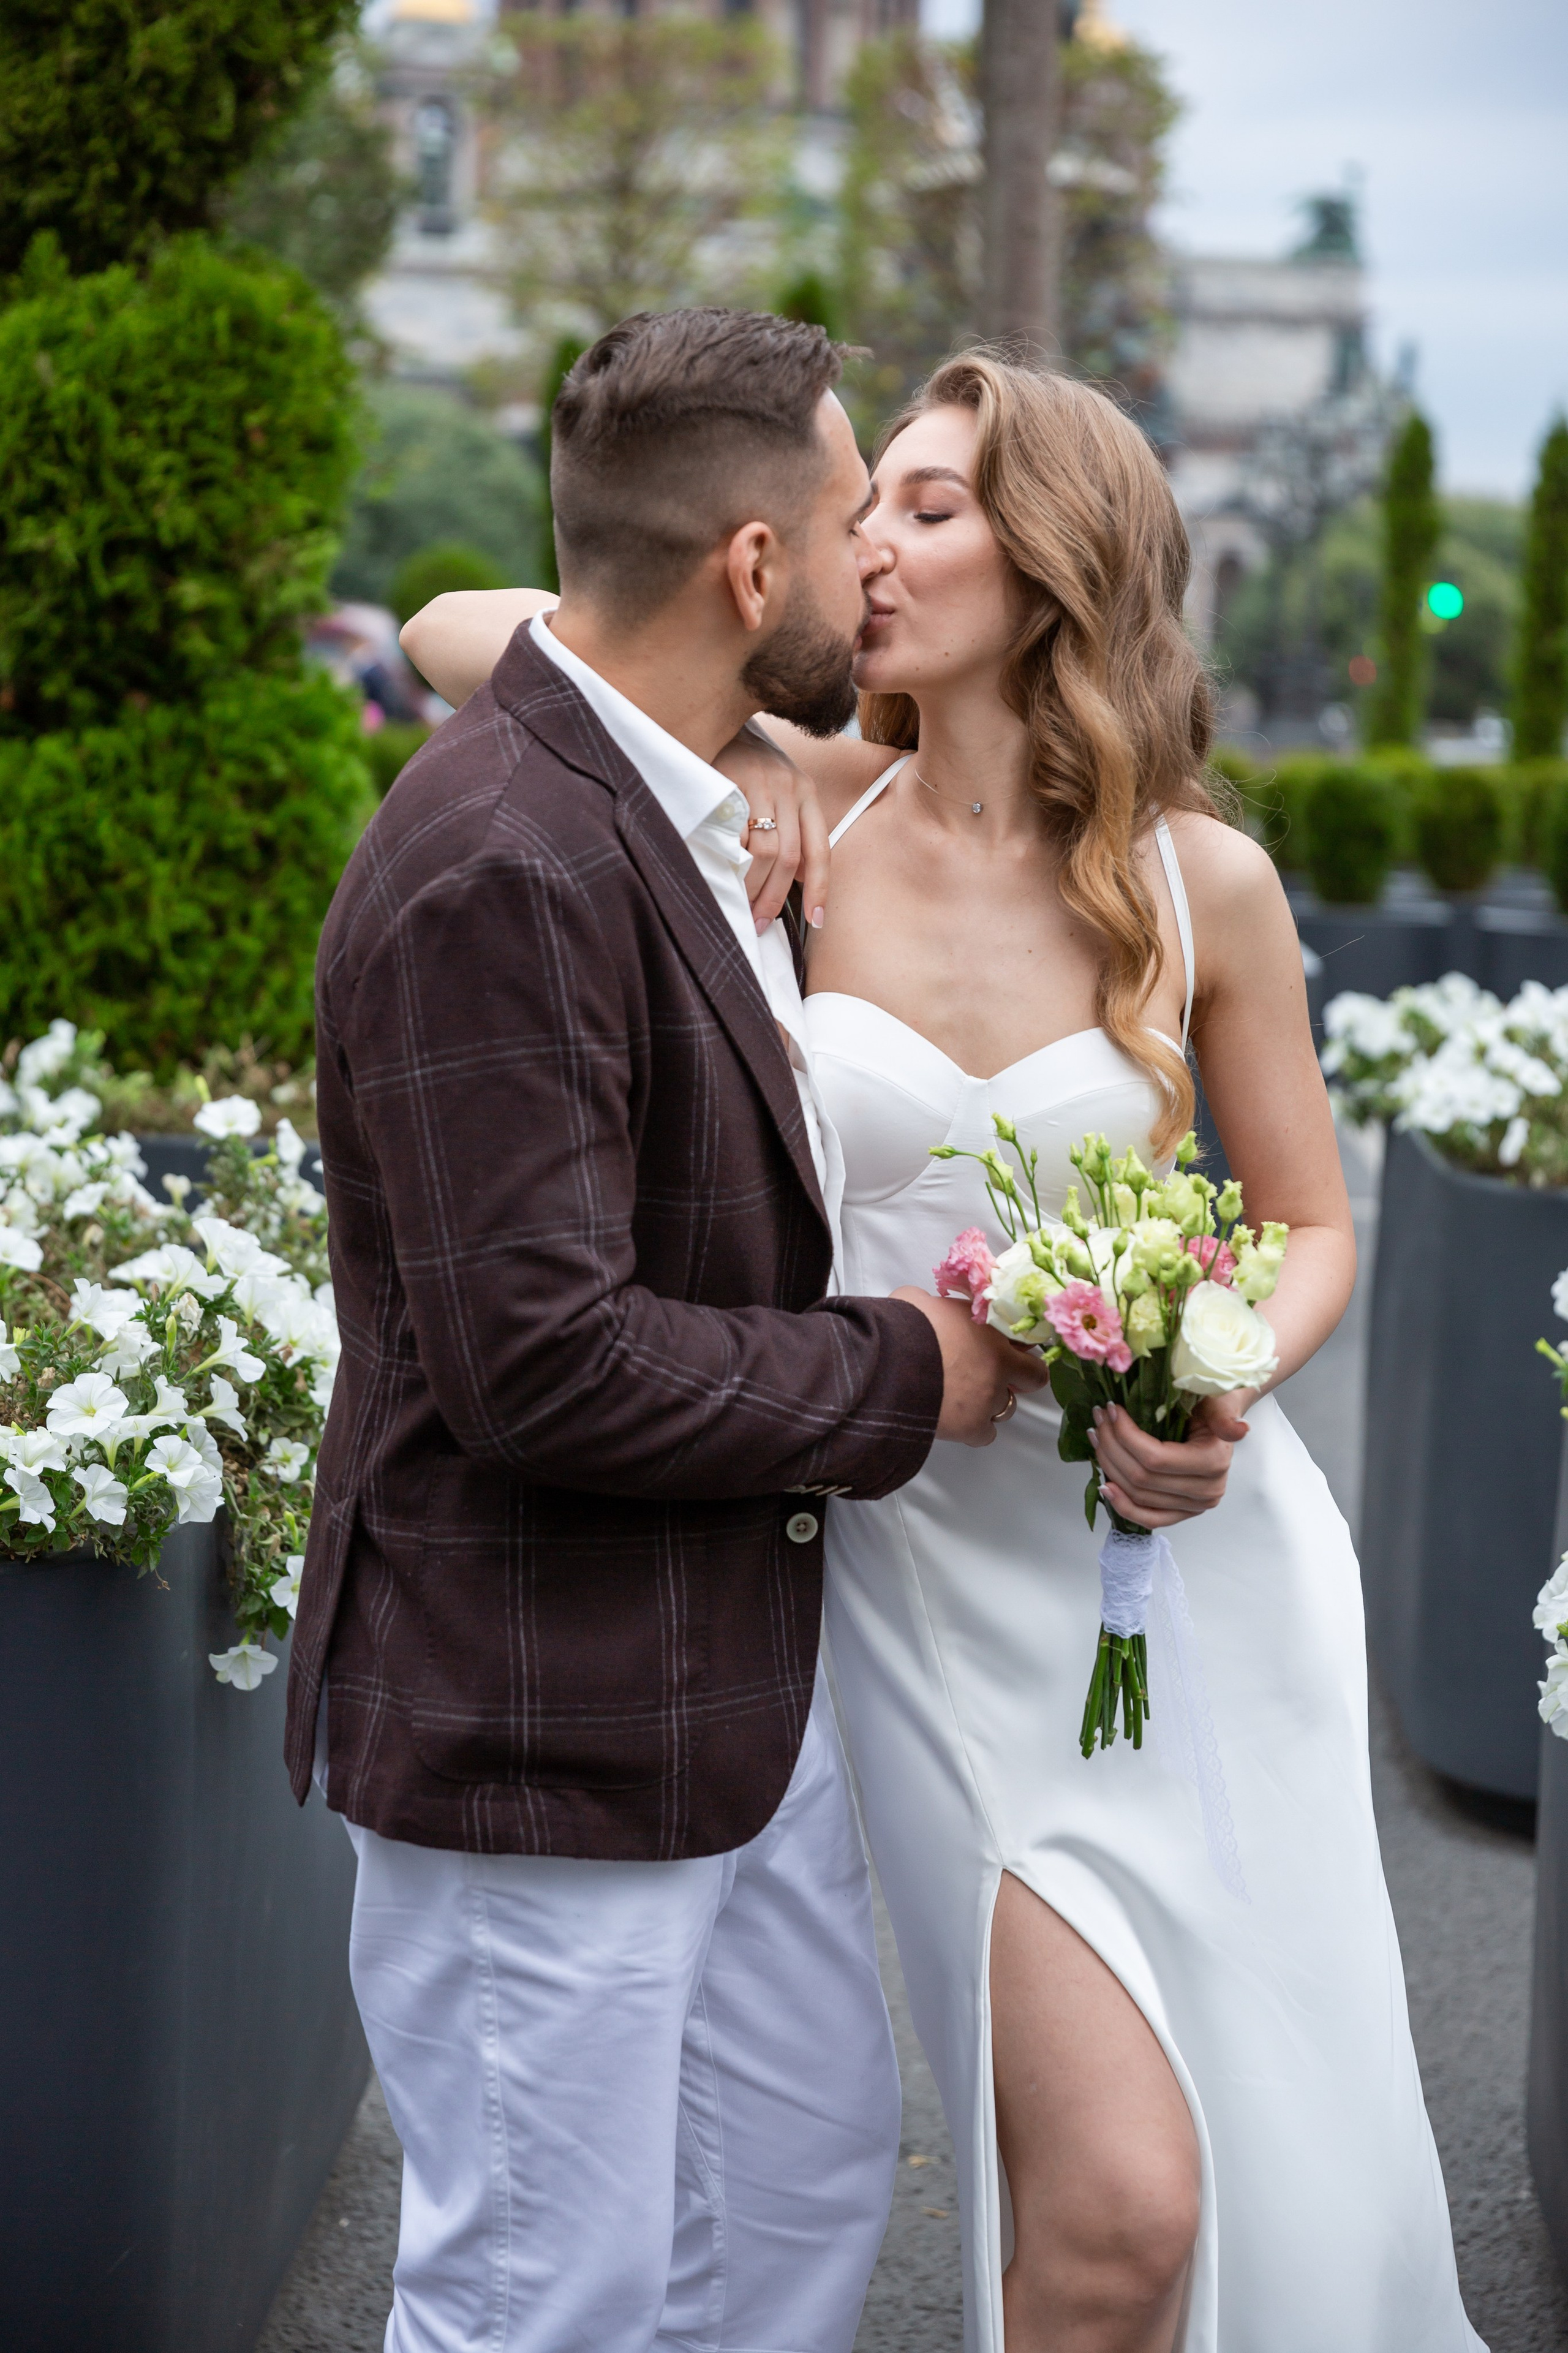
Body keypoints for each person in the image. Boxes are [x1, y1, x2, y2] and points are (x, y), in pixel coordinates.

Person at [407, 350, 1486, 2353]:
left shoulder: (1202, 883)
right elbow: (451, 630)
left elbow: (1313, 1223)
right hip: (905, 1579)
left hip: (1181, 1584)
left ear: (1056, 554)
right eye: (856, 507)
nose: (865, 547)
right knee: (1125, 2204)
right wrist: (718, 778)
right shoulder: (800, 799)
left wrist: (1224, 1369)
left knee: (1249, 2149)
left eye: (922, 505)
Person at [284, 309, 1039, 2353]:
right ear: (753, 570)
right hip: (537, 1719)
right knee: (547, 2294)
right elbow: (544, 1361)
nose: (875, 555)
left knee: (793, 2181)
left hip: (720, 1688)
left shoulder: (687, 800)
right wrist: (915, 1372)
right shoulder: (502, 860)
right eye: (840, 512)